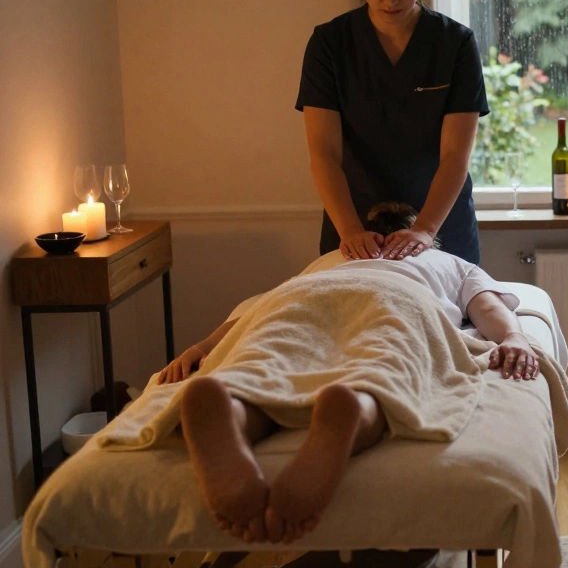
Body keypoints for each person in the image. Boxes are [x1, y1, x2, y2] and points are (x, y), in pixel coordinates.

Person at [153, 203, 539, 545]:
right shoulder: (449, 263)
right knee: (386, 368)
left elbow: (262, 306)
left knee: (270, 364)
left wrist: (202, 347)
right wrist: (514, 337)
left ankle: (235, 407)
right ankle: (359, 405)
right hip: (399, 300)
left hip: (309, 296)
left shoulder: (330, 261)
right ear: (424, 239)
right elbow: (487, 307)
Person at [298, 0, 486, 264]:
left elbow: (454, 156)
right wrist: (350, 231)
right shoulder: (329, 45)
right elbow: (324, 153)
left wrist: (425, 231)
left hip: (440, 225)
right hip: (354, 225)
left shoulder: (456, 44)